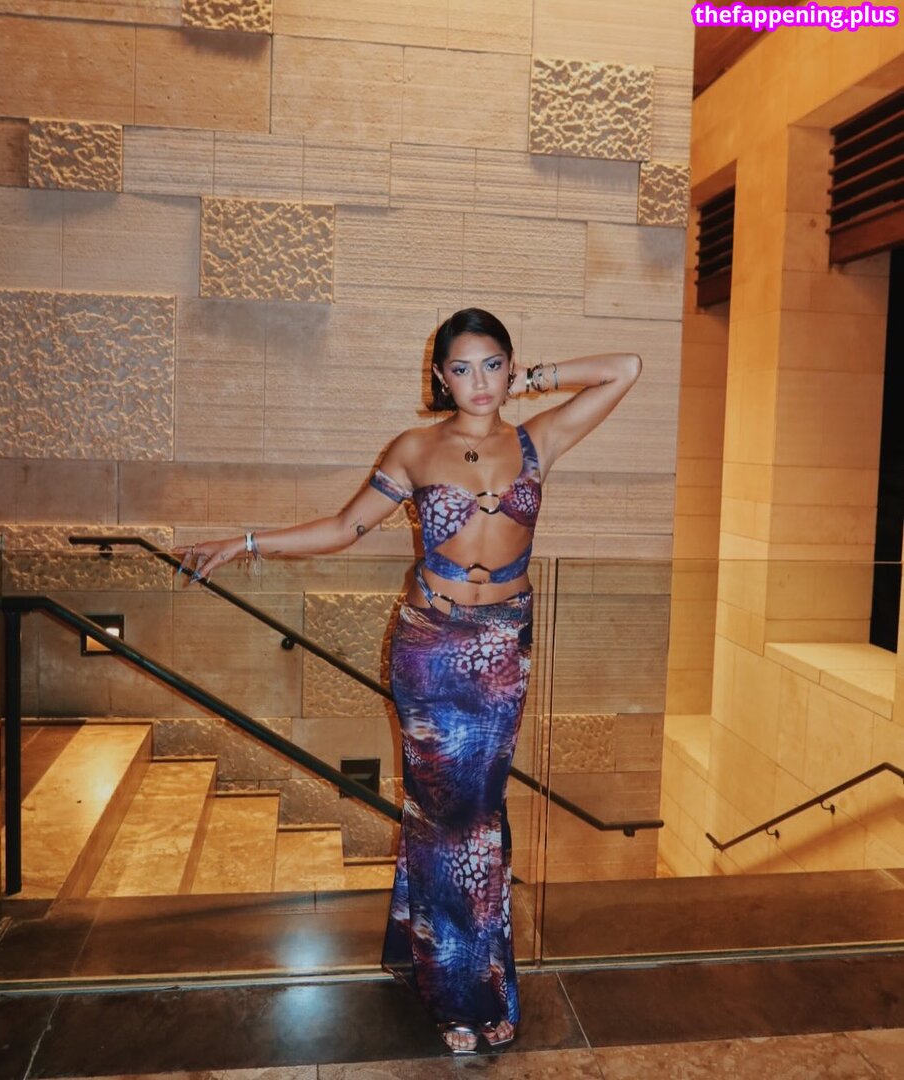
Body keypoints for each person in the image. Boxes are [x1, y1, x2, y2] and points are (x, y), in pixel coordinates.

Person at [174, 308, 642, 1054]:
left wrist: (535, 381)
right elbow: (344, 527)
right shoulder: (416, 449)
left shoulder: (538, 439)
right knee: (447, 822)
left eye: (493, 364)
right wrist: (247, 542)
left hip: (501, 651)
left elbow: (626, 369)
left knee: (475, 818)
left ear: (511, 366)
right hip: (429, 649)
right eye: (462, 368)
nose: (479, 381)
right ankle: (459, 996)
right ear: (440, 376)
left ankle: (453, 969)